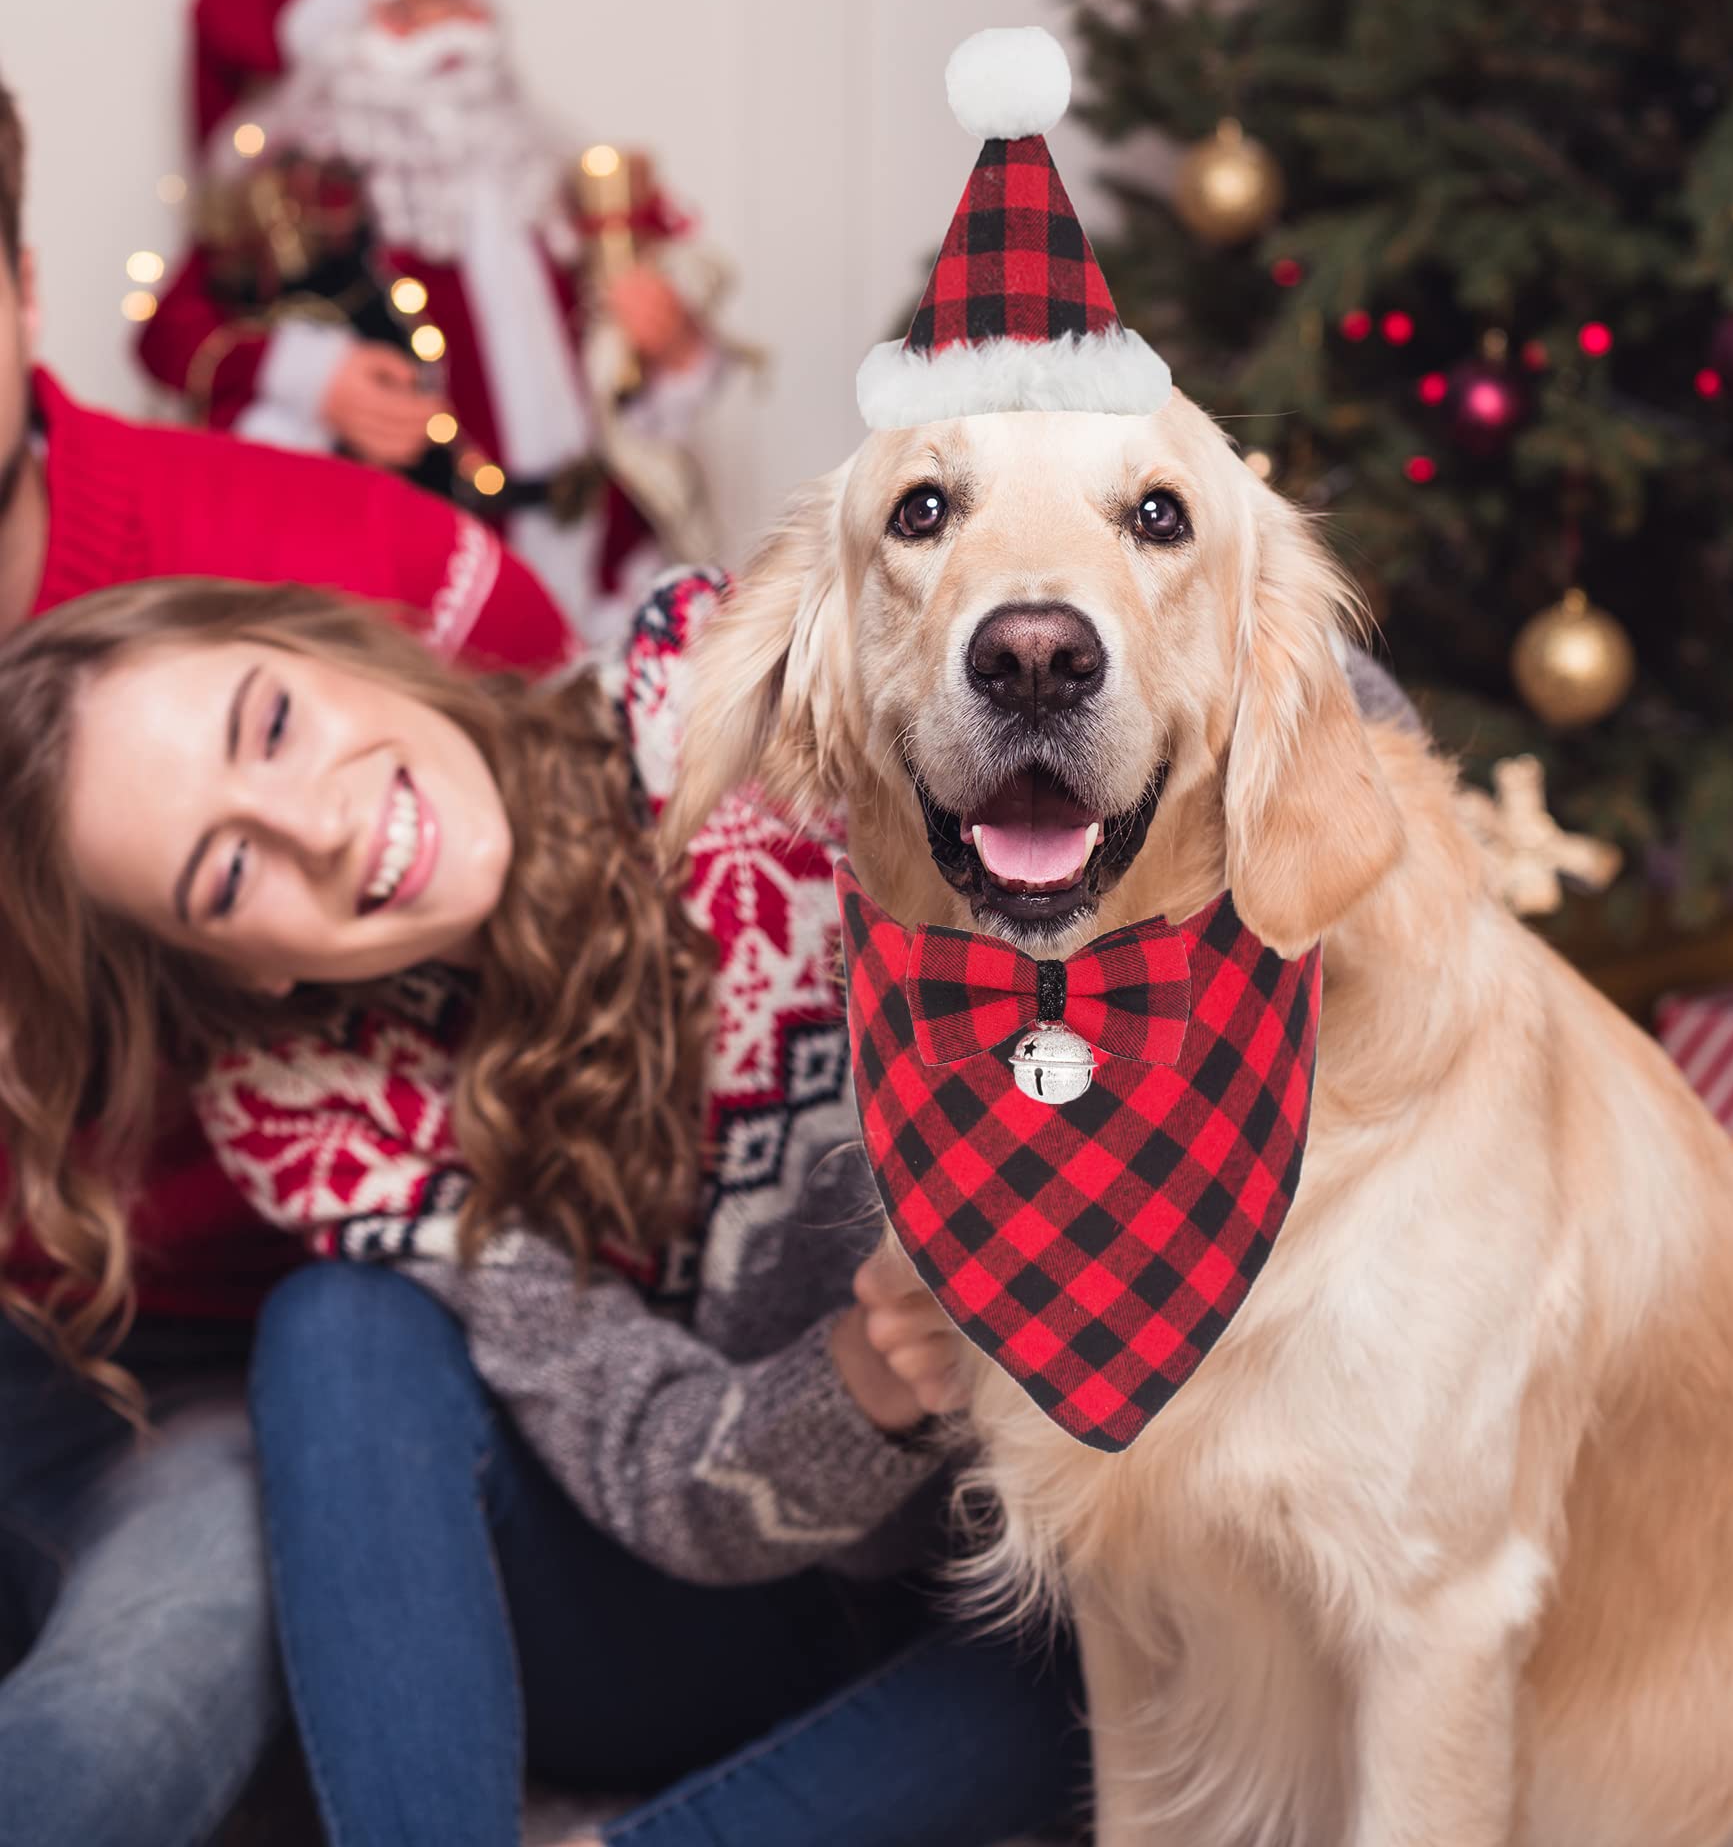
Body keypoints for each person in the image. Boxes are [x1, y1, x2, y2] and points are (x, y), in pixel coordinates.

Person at [0, 571, 1089, 1846]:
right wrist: (860, 1378)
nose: (324, 825)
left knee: (1084, 1669)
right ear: (240, 963)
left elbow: (1199, 715)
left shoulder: (718, 687)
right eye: (232, 870)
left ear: (341, 648)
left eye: (276, 723)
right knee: (336, 1327)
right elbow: (655, 1459)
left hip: (1036, 1555)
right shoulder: (312, 1104)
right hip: (697, 1610)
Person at [0, 67, 574, 1847]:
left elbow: (601, 939)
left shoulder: (352, 569)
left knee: (130, 1696)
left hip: (265, 1361)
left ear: (19, 287)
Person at [138, 0, 739, 634]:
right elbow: (170, 335)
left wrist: (668, 342)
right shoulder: (298, 200)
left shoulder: (545, 175)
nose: (446, 25)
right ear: (337, 43)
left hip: (601, 552)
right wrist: (313, 376)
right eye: (407, 8)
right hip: (430, 578)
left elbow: (638, 360)